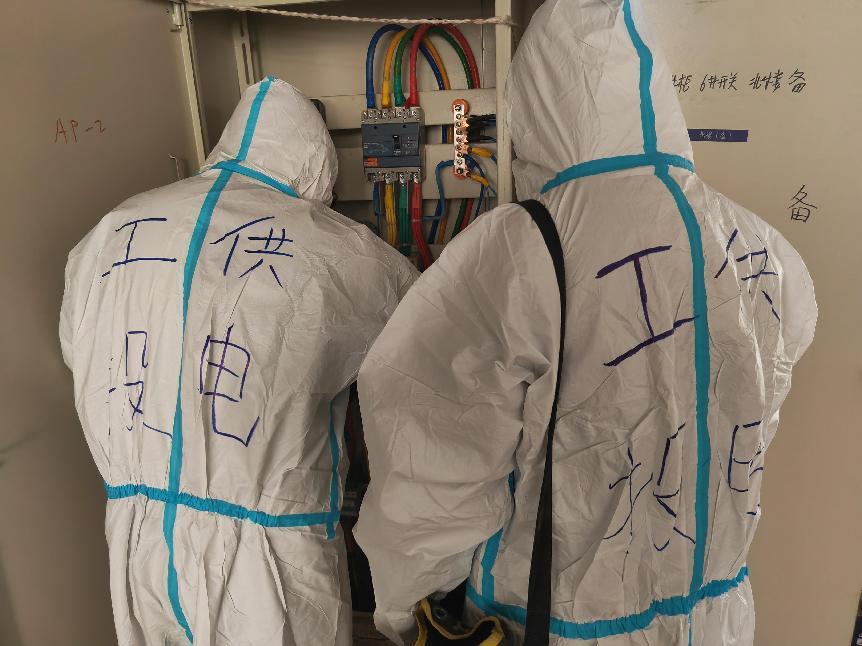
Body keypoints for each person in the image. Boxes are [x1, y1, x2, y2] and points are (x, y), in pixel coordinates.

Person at [353, 1, 817, 644]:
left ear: (539, 99)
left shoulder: (524, 246)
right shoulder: (765, 249)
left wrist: (407, 602)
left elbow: (431, 453)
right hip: (713, 614)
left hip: (554, 620)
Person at [60, 76, 417, 646]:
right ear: (316, 165)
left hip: (139, 540)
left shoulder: (112, 230)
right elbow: (418, 376)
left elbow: (79, 354)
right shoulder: (346, 251)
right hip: (270, 559)